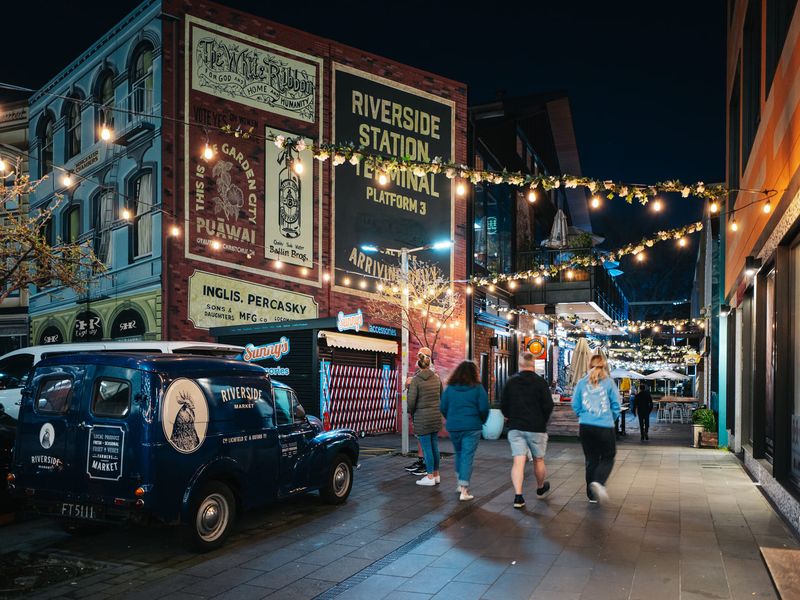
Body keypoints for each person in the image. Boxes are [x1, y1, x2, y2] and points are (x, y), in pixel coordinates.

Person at [500, 352, 554, 509]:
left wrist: (509, 416)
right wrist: (542, 420)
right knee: (538, 459)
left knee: (518, 461)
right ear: (533, 364)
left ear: (520, 364)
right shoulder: (541, 383)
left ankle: (518, 496)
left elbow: (504, 405)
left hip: (516, 427)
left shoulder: (511, 382)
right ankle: (540, 488)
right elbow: (548, 405)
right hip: (537, 427)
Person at [571, 353, 621, 505]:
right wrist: (609, 419)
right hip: (605, 426)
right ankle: (599, 482)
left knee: (591, 460)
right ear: (604, 366)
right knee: (608, 456)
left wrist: (584, 417)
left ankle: (591, 495)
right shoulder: (609, 383)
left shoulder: (581, 383)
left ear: (589, 366)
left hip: (585, 426)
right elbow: (616, 406)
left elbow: (575, 405)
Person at [440, 361, 489, 501]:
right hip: (472, 427)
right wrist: (481, 420)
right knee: (467, 456)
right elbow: (484, 408)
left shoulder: (450, 389)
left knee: (459, 454)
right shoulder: (478, 388)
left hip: (454, 427)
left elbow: (443, 406)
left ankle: (459, 483)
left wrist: (450, 418)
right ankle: (464, 490)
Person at [407, 350, 443, 486]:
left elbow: (411, 402)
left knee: (427, 448)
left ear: (418, 364)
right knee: (434, 447)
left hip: (422, 419)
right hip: (435, 417)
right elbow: (441, 396)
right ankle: (436, 475)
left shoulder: (416, 380)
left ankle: (429, 477)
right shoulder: (437, 378)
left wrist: (412, 412)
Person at [405, 348, 433, 476]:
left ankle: (426, 466)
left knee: (425, 439)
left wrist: (412, 382)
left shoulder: (430, 372)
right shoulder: (420, 371)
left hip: (424, 411)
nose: (417, 357)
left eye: (419, 355)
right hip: (420, 410)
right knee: (420, 438)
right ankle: (421, 461)